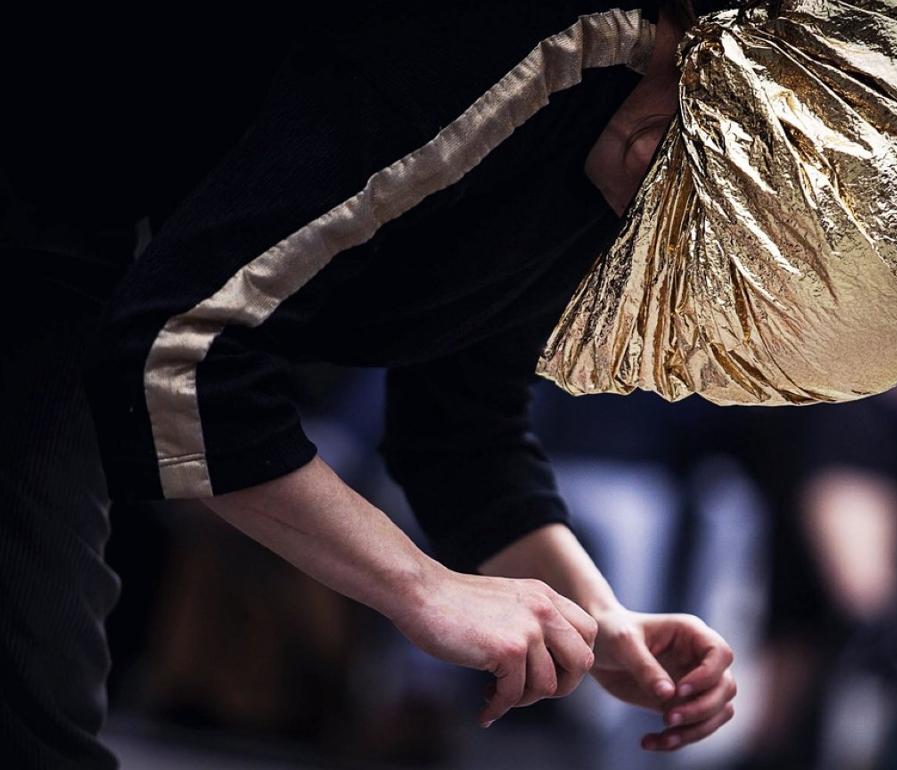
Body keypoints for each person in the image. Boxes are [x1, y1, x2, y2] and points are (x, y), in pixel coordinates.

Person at [3, 3, 738, 767]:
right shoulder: (542, 44)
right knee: (32, 702)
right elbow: (179, 357)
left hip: (107, 232)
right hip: (41, 168)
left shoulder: (624, 173)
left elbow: (461, 431)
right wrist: (421, 588)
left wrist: (597, 619)